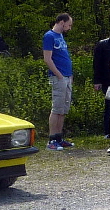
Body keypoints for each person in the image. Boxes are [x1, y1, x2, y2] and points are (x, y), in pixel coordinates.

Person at [43, 13, 75, 151]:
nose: (69, 28)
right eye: (69, 24)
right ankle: (51, 140)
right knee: (56, 108)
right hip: (59, 77)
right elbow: (47, 58)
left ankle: (59, 137)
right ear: (62, 22)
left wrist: (69, 75)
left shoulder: (60, 36)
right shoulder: (49, 36)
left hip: (67, 76)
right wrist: (59, 75)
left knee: (63, 108)